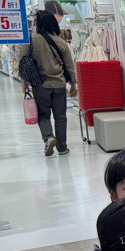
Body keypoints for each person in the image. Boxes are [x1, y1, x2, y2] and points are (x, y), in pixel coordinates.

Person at [21, 10, 76, 157]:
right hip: (59, 84)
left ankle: (48, 137)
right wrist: (73, 83)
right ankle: (62, 147)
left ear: (38, 24)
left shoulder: (30, 40)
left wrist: (24, 84)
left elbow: (23, 62)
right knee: (60, 117)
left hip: (40, 85)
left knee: (43, 115)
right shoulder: (61, 42)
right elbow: (69, 66)